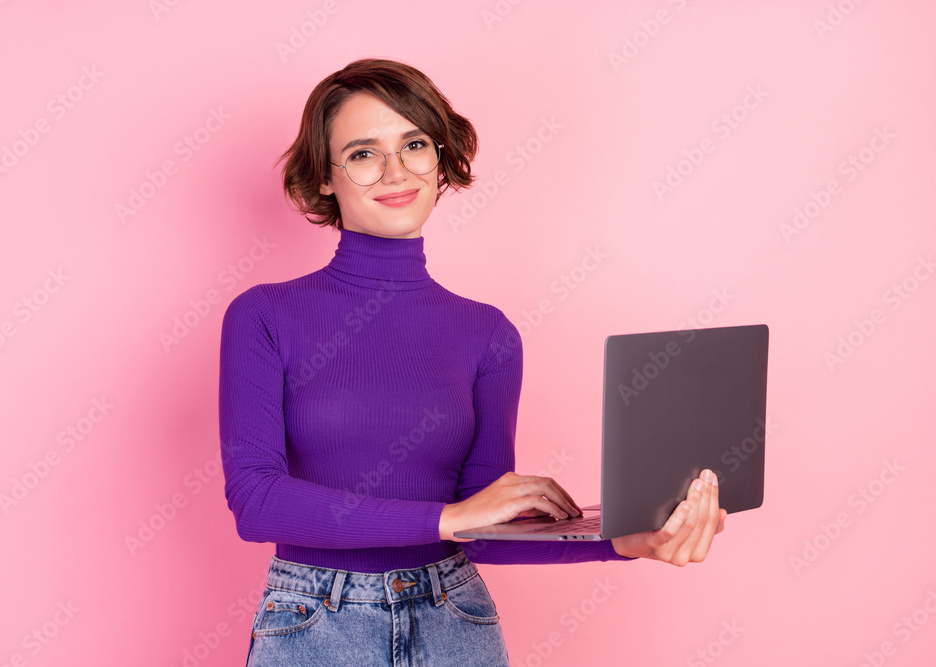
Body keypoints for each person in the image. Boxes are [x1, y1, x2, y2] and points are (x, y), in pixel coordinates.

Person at [218, 58, 726, 667]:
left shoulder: (488, 333)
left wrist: (630, 540)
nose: (396, 171)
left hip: (453, 620)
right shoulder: (263, 316)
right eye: (362, 154)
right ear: (324, 178)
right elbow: (258, 502)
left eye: (413, 144)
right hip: (313, 625)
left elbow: (482, 532)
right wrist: (452, 516)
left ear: (440, 158)